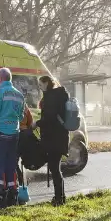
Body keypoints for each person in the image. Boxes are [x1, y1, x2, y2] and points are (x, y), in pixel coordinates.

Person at [0, 68, 26, 207]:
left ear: (0, 78)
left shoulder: (0, 92)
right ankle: (12, 193)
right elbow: (21, 116)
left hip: (1, 132)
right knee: (11, 164)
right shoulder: (19, 94)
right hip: (14, 133)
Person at [38, 75, 70, 206]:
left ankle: (59, 198)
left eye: (41, 84)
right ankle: (60, 197)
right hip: (59, 137)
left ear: (46, 83)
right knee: (55, 168)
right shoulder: (58, 95)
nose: (40, 87)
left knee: (54, 168)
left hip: (53, 138)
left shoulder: (51, 97)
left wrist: (37, 123)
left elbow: (49, 117)